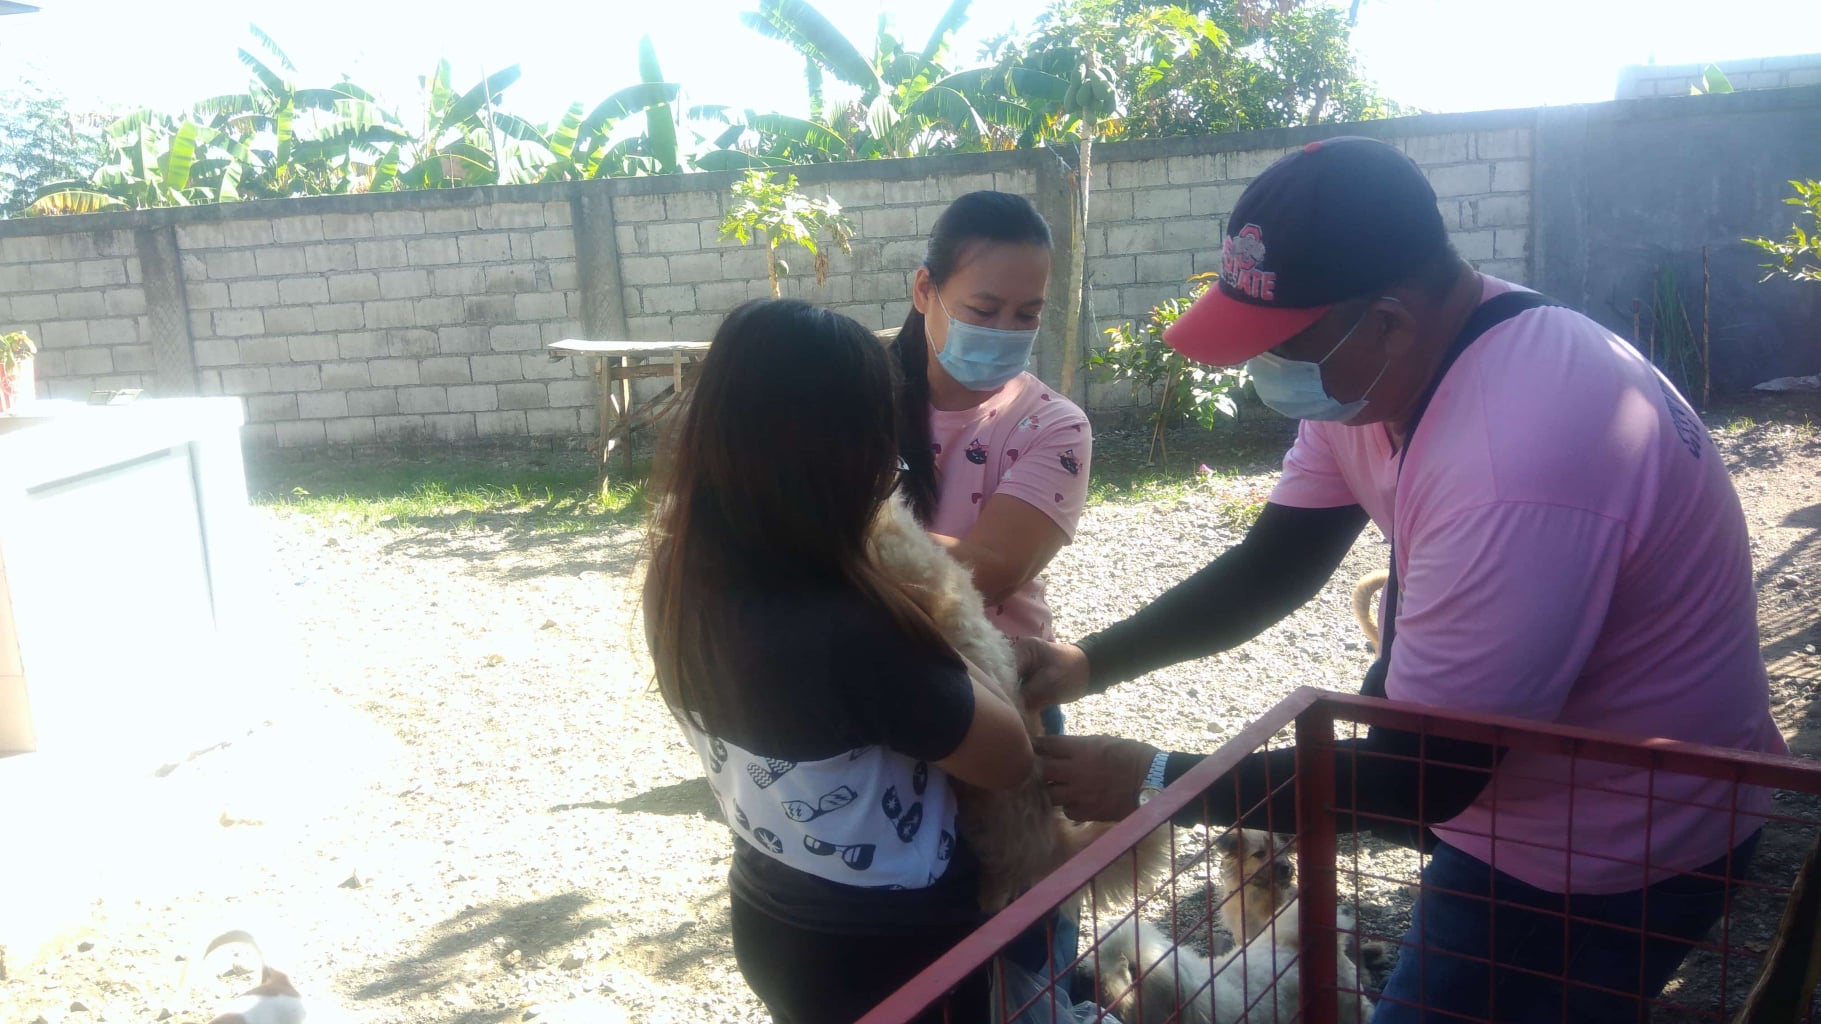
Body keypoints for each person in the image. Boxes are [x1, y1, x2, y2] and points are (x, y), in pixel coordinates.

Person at [1017, 136, 1788, 1021]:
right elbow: (1272, 565)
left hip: (1621, 847)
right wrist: (1086, 663)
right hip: (1520, 805)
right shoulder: (1379, 377)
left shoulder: (1517, 457)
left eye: (1283, 342)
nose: (1264, 369)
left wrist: (1159, 780)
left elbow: (1425, 780)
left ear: (1387, 317)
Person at [643, 299, 1036, 1024]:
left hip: (770, 914)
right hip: (898, 956)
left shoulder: (677, 575)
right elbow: (1008, 756)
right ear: (855, 452)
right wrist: (938, 606)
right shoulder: (856, 631)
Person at [887, 189, 1093, 985]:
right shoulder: (858, 394)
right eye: (984, 306)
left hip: (1000, 683)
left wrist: (835, 535)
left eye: (1026, 312)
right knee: (913, 923)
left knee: (1023, 919)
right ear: (923, 291)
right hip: (876, 684)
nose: (1005, 330)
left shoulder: (1051, 426)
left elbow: (991, 568)